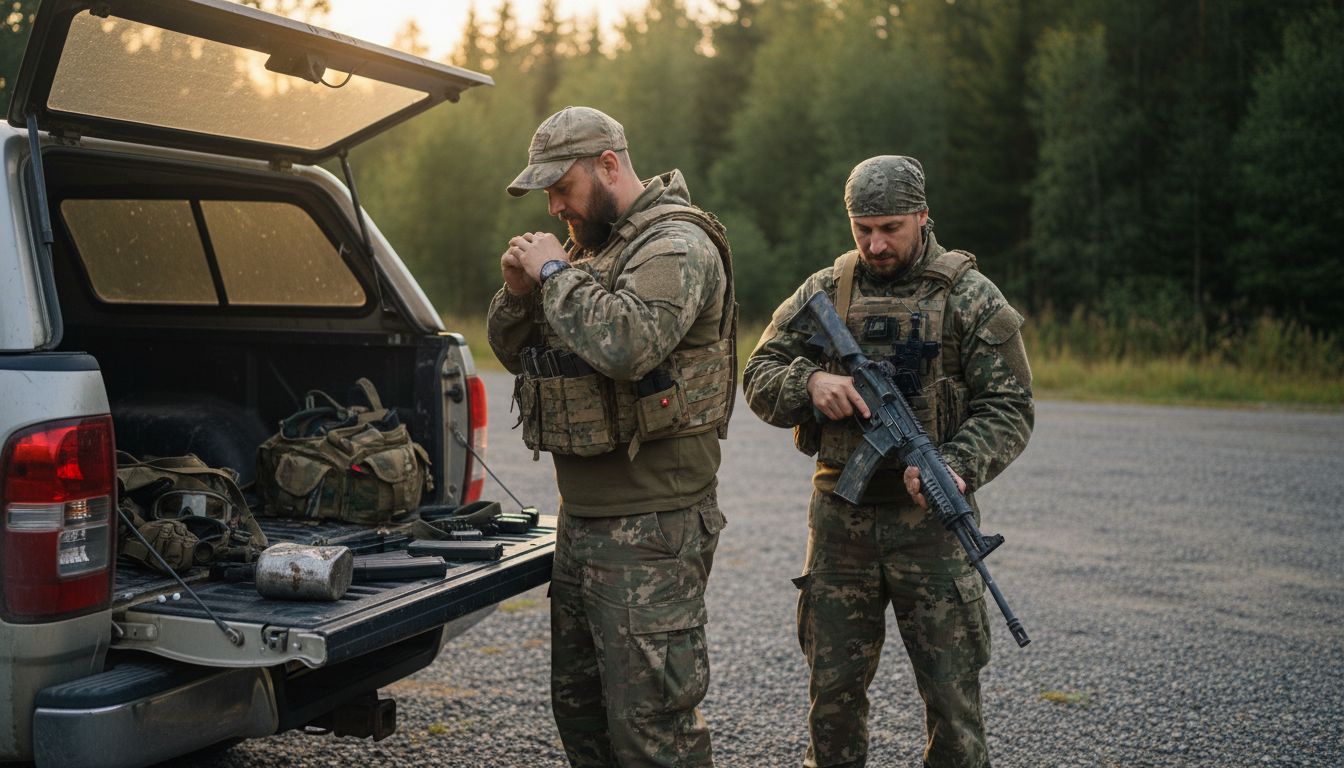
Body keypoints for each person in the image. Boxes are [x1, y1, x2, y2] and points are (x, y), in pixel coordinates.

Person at [742, 155, 1033, 768]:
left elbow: (1010, 407)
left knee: (954, 705)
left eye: (891, 228)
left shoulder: (970, 297)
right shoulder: (825, 290)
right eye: (863, 229)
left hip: (931, 531)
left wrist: (956, 463)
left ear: (923, 218)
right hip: (840, 526)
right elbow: (757, 374)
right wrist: (811, 383)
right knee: (833, 700)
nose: (875, 244)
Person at [486, 106, 735, 768]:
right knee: (583, 714)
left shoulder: (675, 246)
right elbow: (520, 354)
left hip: (652, 525)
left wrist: (553, 277)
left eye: (562, 187)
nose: (555, 205)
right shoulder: (591, 249)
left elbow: (628, 343)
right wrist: (518, 294)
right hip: (584, 519)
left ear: (607, 165)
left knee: (653, 732)